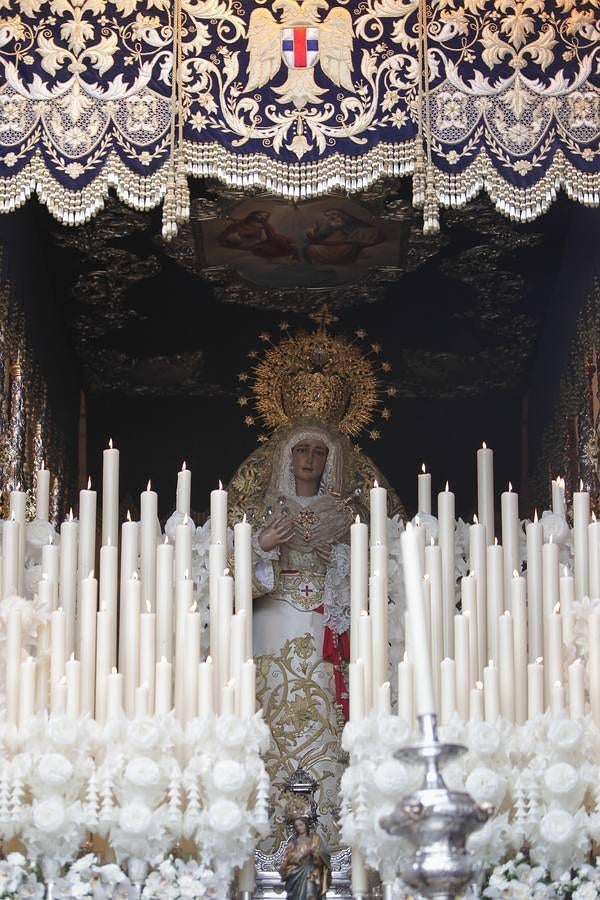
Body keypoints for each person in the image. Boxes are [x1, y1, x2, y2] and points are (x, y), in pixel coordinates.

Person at [227, 415, 403, 852]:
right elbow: (227, 575)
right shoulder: (262, 511)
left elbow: (377, 582)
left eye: (319, 452)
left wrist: (343, 559)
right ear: (287, 457)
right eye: (302, 451)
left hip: (325, 623)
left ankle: (328, 835)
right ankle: (269, 837)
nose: (310, 460)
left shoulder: (345, 516)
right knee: (271, 716)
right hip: (273, 622)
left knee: (327, 718)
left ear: (332, 461)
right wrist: (261, 546)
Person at [279, 817, 331, 900]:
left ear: (306, 825)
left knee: (311, 894)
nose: (299, 828)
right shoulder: (293, 840)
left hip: (311, 872)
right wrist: (300, 855)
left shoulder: (314, 838)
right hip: (296, 872)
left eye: (301, 825)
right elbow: (288, 858)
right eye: (296, 826)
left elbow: (324, 854)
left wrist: (315, 852)